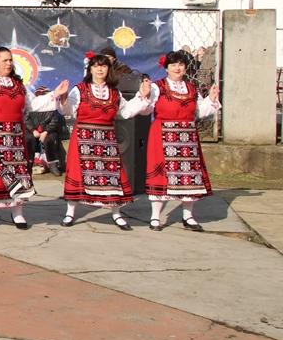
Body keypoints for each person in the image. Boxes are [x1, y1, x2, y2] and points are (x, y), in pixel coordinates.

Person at [0, 46, 68, 232]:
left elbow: (32, 104)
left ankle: (17, 212)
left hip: (13, 138)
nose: (9, 63)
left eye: (11, 60)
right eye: (5, 60)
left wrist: (54, 95)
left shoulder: (18, 84)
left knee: (17, 175)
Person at [57, 51, 151, 230]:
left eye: (104, 66)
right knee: (78, 174)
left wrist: (142, 97)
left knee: (112, 175)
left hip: (107, 138)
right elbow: (68, 110)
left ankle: (116, 214)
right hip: (84, 136)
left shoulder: (114, 92)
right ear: (90, 69)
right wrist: (63, 99)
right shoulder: (80, 89)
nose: (100, 69)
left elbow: (125, 112)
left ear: (109, 69)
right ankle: (70, 213)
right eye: (96, 65)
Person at [142, 50, 221, 231]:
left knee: (188, 176)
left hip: (186, 136)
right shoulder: (157, 87)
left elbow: (200, 112)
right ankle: (155, 217)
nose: (177, 68)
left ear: (185, 67)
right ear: (166, 68)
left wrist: (211, 99)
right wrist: (145, 95)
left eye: (180, 64)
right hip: (162, 134)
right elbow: (145, 109)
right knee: (161, 175)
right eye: (173, 65)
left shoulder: (191, 88)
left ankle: (188, 216)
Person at [24, 99, 63, 176]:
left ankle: (52, 165)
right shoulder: (31, 107)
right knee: (28, 139)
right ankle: (29, 164)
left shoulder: (52, 108)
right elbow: (26, 120)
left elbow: (55, 121)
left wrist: (46, 132)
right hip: (33, 131)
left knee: (50, 140)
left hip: (48, 131)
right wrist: (33, 130)